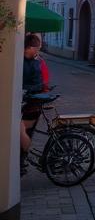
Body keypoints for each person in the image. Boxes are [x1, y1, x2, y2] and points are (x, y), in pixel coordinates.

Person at [20, 34, 45, 174]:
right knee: (22, 132)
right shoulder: (21, 60)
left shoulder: (35, 63)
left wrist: (23, 88)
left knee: (22, 132)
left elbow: (39, 85)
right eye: (36, 48)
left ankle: (21, 162)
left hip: (32, 104)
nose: (38, 51)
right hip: (25, 103)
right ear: (29, 48)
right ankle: (21, 161)